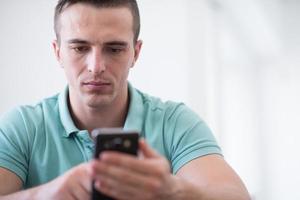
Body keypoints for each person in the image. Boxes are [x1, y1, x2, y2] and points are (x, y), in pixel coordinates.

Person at [0, 0, 250, 199]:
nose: (96, 66)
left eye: (114, 49)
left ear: (135, 53)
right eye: (80, 48)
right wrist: (47, 195)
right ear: (58, 52)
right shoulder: (23, 126)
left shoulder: (175, 123)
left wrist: (172, 192)